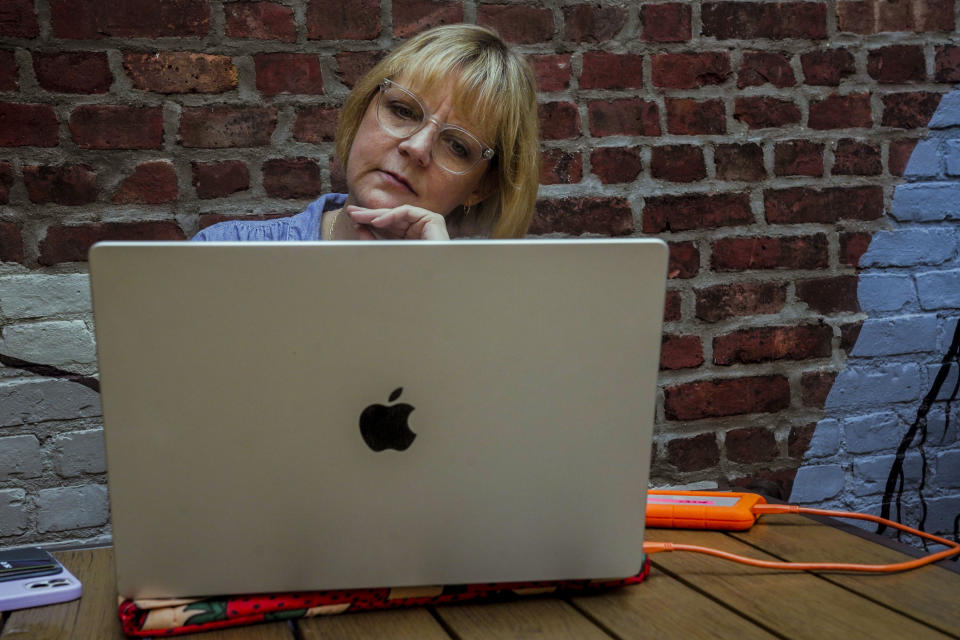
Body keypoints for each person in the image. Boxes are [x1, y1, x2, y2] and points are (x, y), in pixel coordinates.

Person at [194, 24, 540, 242]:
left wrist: (440, 285)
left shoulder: (493, 308)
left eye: (457, 146)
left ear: (480, 187)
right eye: (403, 111)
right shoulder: (224, 253)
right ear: (363, 109)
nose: (417, 148)